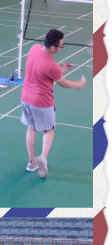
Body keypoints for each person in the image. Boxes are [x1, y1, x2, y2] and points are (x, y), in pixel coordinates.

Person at [21, 29, 86, 179]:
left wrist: (60, 69)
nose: (62, 47)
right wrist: (78, 84)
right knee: (49, 130)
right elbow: (63, 83)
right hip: (42, 101)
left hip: (25, 98)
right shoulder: (51, 65)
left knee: (31, 128)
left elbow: (42, 70)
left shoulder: (34, 48)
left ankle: (32, 163)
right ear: (52, 47)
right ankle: (43, 157)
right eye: (62, 45)